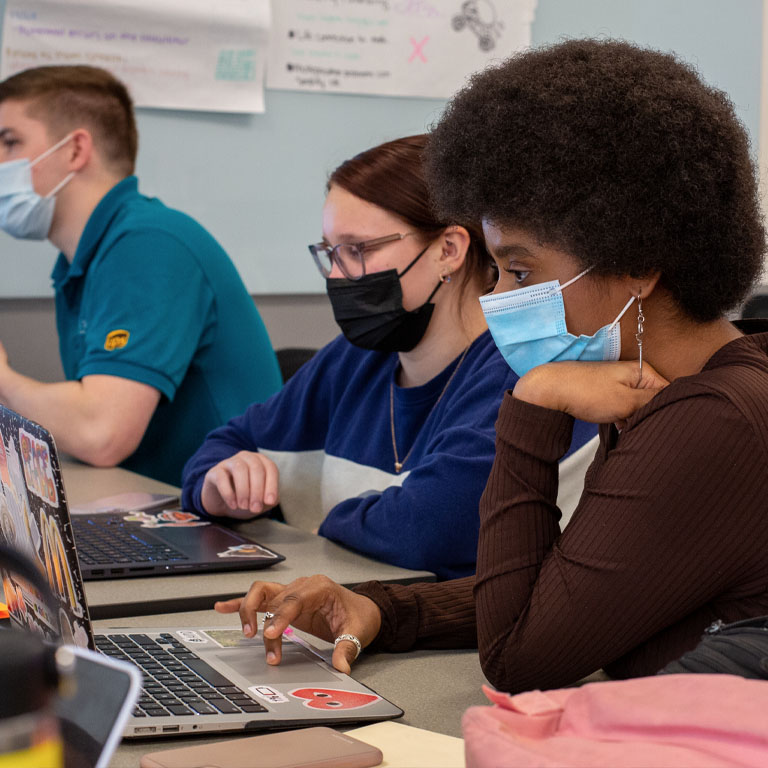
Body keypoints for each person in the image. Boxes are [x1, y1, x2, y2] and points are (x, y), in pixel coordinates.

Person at [214, 40, 768, 693]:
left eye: (520, 271)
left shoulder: (713, 420)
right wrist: (381, 608)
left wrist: (534, 403)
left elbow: (518, 657)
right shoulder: (664, 388)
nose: (497, 296)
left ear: (638, 266)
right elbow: (570, 589)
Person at [181, 135, 599, 579]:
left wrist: (328, 525)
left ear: (448, 250)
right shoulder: (354, 359)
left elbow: (433, 526)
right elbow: (224, 446)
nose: (337, 275)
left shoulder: (521, 370)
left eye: (358, 250)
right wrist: (219, 486)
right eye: (329, 252)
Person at [0, 66, 282, 485]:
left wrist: (3, 379)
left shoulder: (149, 243)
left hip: (220, 516)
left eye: (10, 142)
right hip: (153, 500)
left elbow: (101, 434)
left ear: (75, 150)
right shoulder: (87, 259)